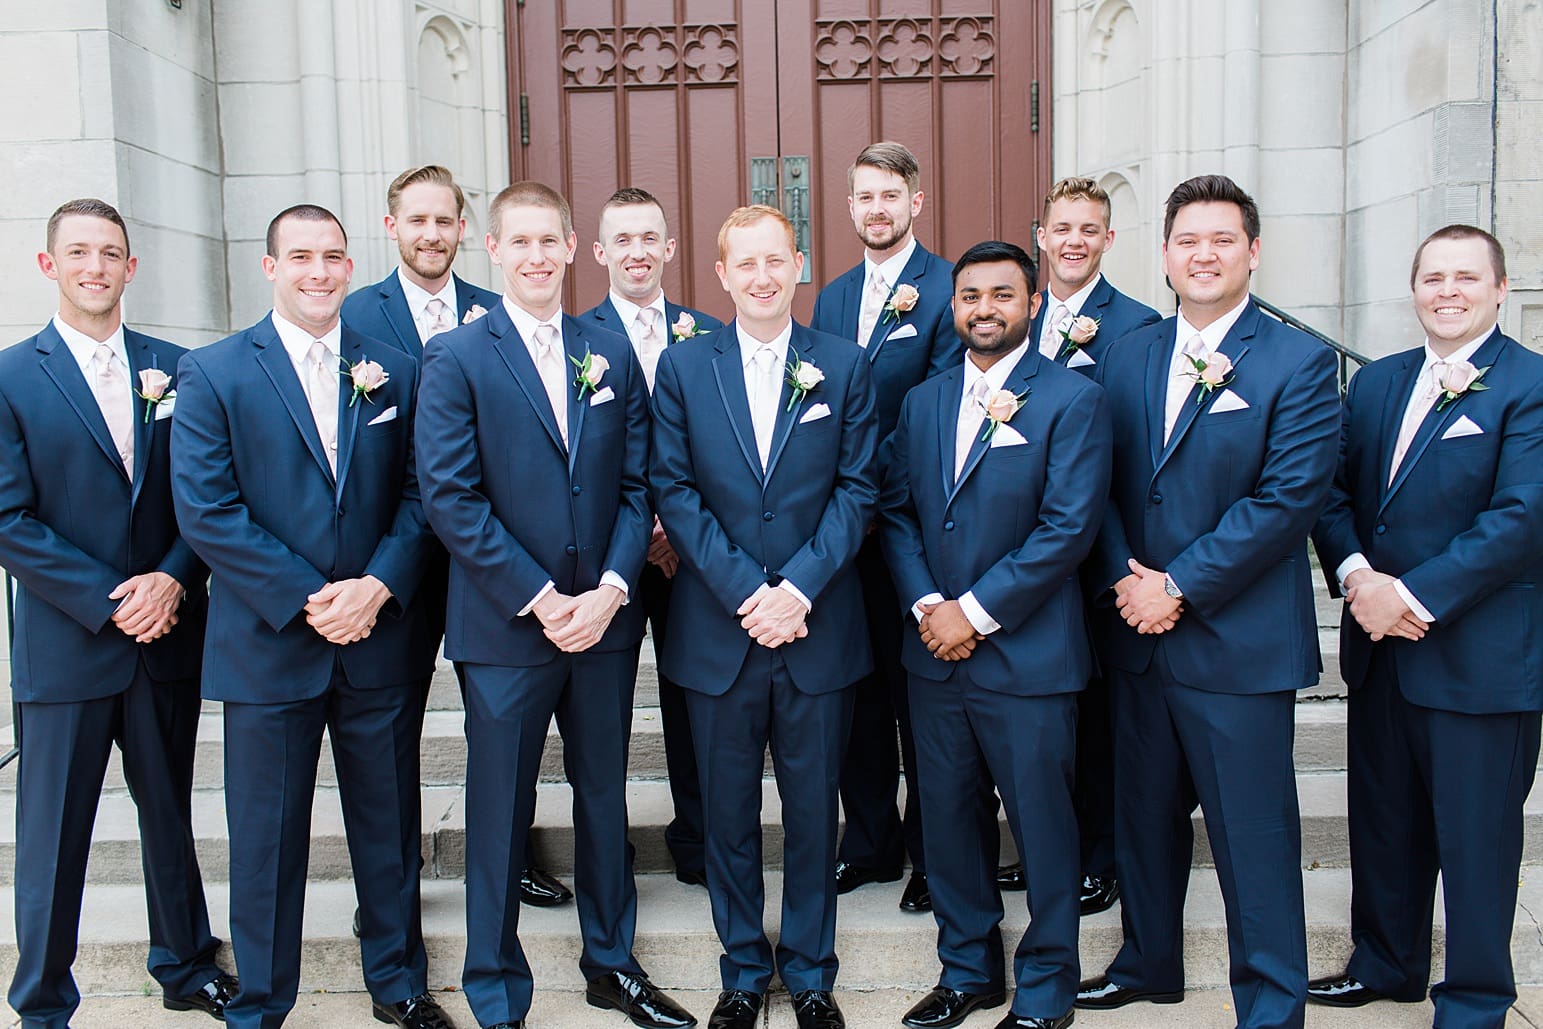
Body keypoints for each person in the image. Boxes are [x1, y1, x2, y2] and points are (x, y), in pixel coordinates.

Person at [415, 181, 694, 1029]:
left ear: (575, 249)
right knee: (499, 808)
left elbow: (635, 484)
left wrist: (611, 589)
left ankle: (612, 962)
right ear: (492, 250)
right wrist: (542, 598)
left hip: (603, 624)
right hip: (505, 626)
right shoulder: (457, 357)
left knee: (602, 797)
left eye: (551, 242)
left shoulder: (605, 352)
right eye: (520, 242)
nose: (537, 257)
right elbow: (450, 496)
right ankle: (496, 987)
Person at [171, 204, 451, 1029]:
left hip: (377, 638)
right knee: (264, 841)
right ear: (270, 267)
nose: (319, 272)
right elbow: (208, 511)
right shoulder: (214, 371)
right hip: (267, 644)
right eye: (301, 257)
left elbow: (421, 495)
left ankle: (399, 984)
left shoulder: (395, 368)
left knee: (390, 826)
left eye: (333, 256)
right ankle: (260, 1002)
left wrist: (374, 586)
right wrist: (308, 598)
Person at [1074, 175, 1340, 1029]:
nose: (1203, 254)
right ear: (1162, 254)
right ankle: (1148, 961)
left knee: (1253, 839)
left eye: (1222, 239)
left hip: (1236, 644)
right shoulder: (1128, 353)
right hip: (1137, 635)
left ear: (1251, 252)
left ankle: (1268, 1004)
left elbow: (1286, 498)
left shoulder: (1297, 361)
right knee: (1142, 821)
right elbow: (1097, 483)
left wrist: (1176, 585)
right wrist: (1125, 577)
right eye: (1187, 239)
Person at [0, 198, 236, 1027]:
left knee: (169, 812)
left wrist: (172, 579)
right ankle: (41, 1000)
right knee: (53, 838)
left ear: (131, 268)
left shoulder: (180, 368)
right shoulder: (8, 375)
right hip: (69, 645)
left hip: (165, 635)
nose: (95, 267)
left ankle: (186, 964)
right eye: (79, 253)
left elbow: (204, 499)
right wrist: (114, 600)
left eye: (110, 254)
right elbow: (6, 519)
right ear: (48, 265)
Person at [1308, 225, 1543, 1029]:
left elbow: (1519, 518)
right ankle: (1385, 962)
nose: (1447, 290)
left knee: (1476, 843)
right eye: (1432, 276)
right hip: (1380, 653)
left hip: (1478, 658)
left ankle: (1475, 998)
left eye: (1465, 277)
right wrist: (1353, 575)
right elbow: (1331, 495)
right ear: (1412, 289)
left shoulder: (1530, 385)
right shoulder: (1375, 384)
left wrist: (1407, 595)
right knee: (1383, 822)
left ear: (1499, 288)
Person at [649, 205, 878, 1029]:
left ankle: (811, 971)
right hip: (720, 628)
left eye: (774, 260)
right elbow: (673, 489)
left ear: (799, 263)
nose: (760, 276)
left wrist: (800, 588)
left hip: (816, 627)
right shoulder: (682, 369)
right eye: (743, 263)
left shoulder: (843, 367)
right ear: (719, 273)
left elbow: (859, 488)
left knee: (815, 810)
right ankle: (743, 968)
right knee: (727, 814)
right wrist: (751, 590)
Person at [882, 240, 1112, 1029]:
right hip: (933, 658)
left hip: (1028, 656)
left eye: (1002, 295)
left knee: (1043, 825)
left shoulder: (1072, 398)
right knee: (946, 819)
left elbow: (1067, 527)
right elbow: (898, 511)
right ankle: (967, 968)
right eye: (971, 295)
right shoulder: (923, 401)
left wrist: (971, 612)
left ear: (1033, 303)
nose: (985, 308)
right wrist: (924, 604)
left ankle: (1047, 986)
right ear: (953, 308)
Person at [341, 164, 571, 911]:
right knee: (390, 726)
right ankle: (392, 881)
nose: (432, 234)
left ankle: (518, 853)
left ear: (468, 233)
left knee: (504, 724)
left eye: (445, 221)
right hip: (398, 556)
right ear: (392, 227)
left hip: (492, 559)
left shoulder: (497, 310)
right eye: (417, 220)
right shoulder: (353, 317)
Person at [995, 177, 1161, 911]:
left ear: (1107, 240)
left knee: (1094, 720)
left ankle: (1098, 854)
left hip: (1095, 552)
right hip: (1011, 553)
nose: (1072, 241)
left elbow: (1136, 452)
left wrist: (1116, 565)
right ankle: (1040, 852)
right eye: (1061, 227)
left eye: (1088, 230)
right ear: (1040, 233)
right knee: (1033, 725)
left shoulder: (1138, 323)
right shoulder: (1008, 313)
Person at [809, 142, 958, 912]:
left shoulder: (944, 292)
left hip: (907, 529)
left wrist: (866, 495)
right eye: (863, 196)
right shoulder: (831, 298)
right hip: (842, 539)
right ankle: (867, 842)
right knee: (857, 694)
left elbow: (932, 411)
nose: (876, 209)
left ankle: (935, 853)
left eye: (889, 196)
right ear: (849, 206)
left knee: (919, 700)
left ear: (915, 202)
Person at [578, 186, 725, 888]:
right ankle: (610, 854)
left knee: (691, 697)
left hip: (688, 556)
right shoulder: (574, 338)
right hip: (605, 555)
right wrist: (636, 532)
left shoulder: (708, 332)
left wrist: (676, 525)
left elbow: (723, 446)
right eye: (622, 240)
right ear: (601, 252)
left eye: (649, 238)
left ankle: (697, 839)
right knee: (601, 712)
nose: (637, 252)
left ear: (669, 248)